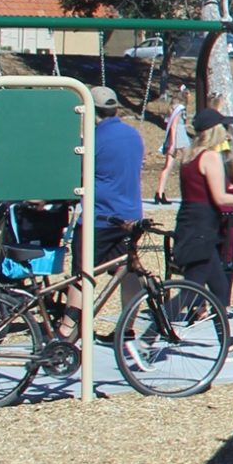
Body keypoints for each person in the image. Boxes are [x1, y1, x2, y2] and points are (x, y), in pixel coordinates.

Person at [173, 113, 233, 312]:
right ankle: (153, 329)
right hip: (203, 227)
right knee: (191, 291)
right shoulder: (210, 157)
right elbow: (220, 198)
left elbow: (206, 189)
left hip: (189, 222)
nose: (227, 133)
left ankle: (223, 334)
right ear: (214, 130)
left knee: (220, 289)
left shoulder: (189, 156)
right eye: (224, 128)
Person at [84, 87, 150, 330]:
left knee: (82, 273)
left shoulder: (94, 138)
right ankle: (127, 328)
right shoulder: (133, 135)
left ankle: (68, 330)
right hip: (130, 214)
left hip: (100, 216)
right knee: (128, 270)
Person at [153, 87, 193, 204]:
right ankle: (190, 192)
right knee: (190, 163)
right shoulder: (179, 108)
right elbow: (174, 126)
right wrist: (172, 144)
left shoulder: (173, 108)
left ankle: (159, 193)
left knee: (168, 166)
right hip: (179, 137)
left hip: (174, 137)